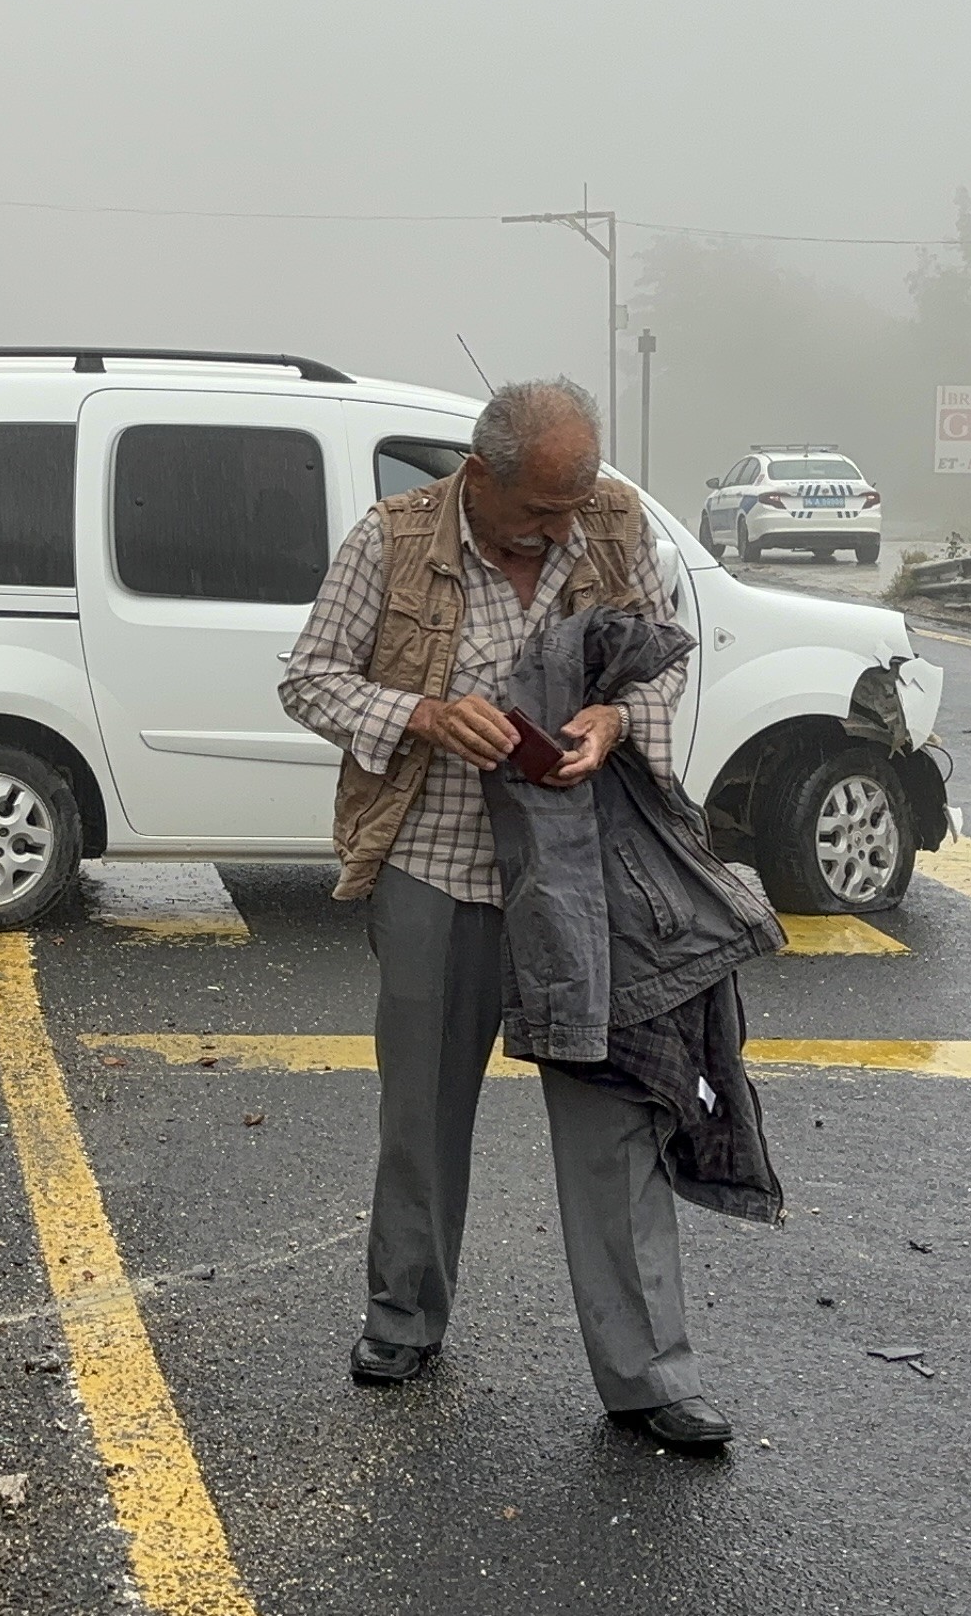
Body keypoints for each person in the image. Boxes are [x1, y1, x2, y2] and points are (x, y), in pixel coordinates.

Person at [276, 377, 735, 1452]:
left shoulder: (614, 524)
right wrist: (423, 714)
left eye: (573, 506)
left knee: (618, 1124)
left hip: (592, 884)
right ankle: (403, 1323)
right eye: (537, 511)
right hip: (436, 869)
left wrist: (613, 720)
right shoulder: (390, 539)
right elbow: (307, 681)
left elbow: (666, 664)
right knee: (423, 1117)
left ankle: (648, 1377)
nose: (560, 530)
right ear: (476, 477)